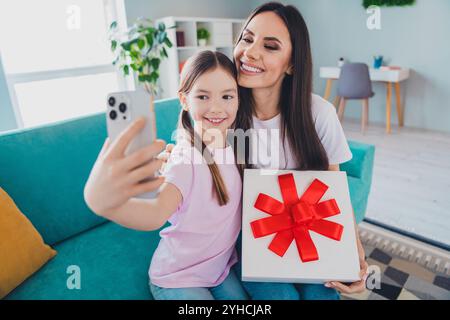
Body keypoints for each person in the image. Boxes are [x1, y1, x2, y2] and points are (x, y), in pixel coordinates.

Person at [229, 2, 368, 300]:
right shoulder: (224, 112)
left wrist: (355, 256)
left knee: (323, 296)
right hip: (251, 234)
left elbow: (335, 192)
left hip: (306, 227)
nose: (250, 52)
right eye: (247, 38)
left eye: (270, 46)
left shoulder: (319, 113)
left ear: (292, 64)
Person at [84, 50, 248, 300]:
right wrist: (104, 203)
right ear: (184, 100)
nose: (216, 107)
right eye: (203, 96)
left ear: (238, 99)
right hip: (177, 277)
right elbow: (156, 213)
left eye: (227, 96)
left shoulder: (236, 147)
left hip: (219, 271)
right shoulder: (184, 159)